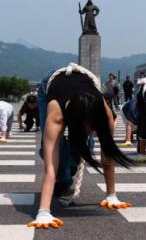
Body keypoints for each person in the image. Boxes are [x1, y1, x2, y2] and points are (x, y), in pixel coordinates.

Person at [28, 63, 133, 229]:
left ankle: (68, 171)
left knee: (85, 147)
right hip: (50, 85)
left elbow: (108, 155)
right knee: (55, 152)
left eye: (94, 127)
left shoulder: (103, 113)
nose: (92, 130)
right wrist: (43, 212)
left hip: (85, 87)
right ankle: (63, 182)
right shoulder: (56, 113)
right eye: (89, 128)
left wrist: (111, 195)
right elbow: (50, 167)